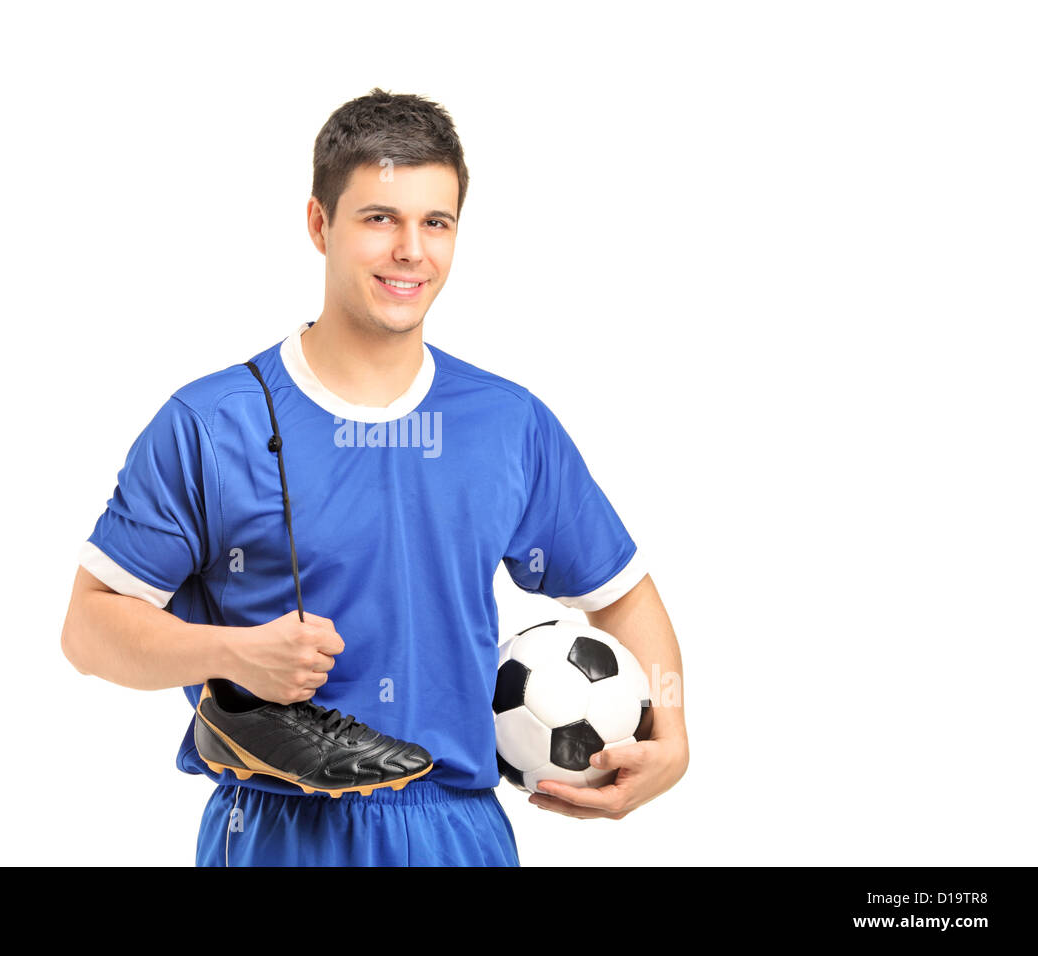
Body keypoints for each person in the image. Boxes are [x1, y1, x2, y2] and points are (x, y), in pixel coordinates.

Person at [60, 88, 689, 866]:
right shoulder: (211, 423)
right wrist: (231, 652)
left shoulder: (507, 422)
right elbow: (88, 630)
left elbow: (622, 592)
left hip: (456, 830)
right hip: (276, 831)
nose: (411, 251)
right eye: (380, 218)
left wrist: (675, 734)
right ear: (320, 225)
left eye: (436, 222)